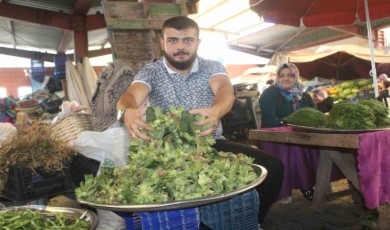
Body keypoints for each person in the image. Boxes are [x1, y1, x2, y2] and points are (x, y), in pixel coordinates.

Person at [116, 16, 284, 223]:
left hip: (211, 144)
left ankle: (249, 223)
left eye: (187, 40)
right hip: (168, 153)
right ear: (162, 43)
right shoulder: (152, 71)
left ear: (197, 43)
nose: (180, 47)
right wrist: (127, 111)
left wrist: (216, 111)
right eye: (172, 40)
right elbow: (131, 96)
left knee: (273, 168)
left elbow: (224, 90)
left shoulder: (211, 67)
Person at [259, 63, 318, 203]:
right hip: (274, 137)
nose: (286, 78)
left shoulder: (304, 95)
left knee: (317, 147)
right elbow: (269, 119)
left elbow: (316, 114)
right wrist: (290, 125)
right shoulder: (270, 93)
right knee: (295, 148)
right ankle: (287, 189)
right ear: (277, 77)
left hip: (302, 135)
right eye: (282, 75)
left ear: (296, 77)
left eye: (290, 75)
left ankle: (310, 183)